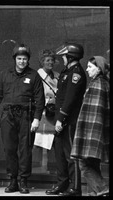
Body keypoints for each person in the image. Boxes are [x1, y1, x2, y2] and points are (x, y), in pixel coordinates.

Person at [0, 44, 45, 194]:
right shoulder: (4, 74)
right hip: (7, 116)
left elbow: (40, 100)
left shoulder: (34, 76)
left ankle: (23, 180)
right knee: (9, 149)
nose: (21, 61)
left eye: (24, 59)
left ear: (28, 60)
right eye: (19, 58)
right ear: (15, 59)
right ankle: (12, 180)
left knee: (25, 149)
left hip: (26, 116)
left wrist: (37, 119)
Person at [46, 42, 87, 196]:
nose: (62, 59)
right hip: (60, 118)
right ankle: (62, 184)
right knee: (60, 154)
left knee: (71, 155)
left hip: (68, 120)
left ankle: (75, 188)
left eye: (64, 56)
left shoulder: (76, 74)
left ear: (70, 57)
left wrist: (60, 119)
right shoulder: (67, 71)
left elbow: (70, 99)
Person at [70, 56, 109, 196]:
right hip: (94, 131)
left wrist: (88, 136)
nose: (87, 69)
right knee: (92, 164)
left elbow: (96, 114)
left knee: (84, 165)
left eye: (90, 67)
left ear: (99, 69)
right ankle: (96, 191)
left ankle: (102, 189)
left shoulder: (98, 84)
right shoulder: (103, 83)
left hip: (92, 132)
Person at [35, 49, 59, 171]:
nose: (51, 63)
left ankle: (52, 166)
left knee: (54, 140)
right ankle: (43, 167)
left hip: (54, 111)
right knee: (42, 140)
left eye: (52, 60)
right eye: (48, 60)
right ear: (42, 62)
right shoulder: (37, 76)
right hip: (43, 111)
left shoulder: (57, 75)